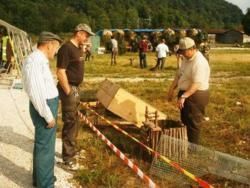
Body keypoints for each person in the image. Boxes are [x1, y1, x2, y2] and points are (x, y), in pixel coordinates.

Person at [22, 31, 62, 187]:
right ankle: (45, 184)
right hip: (44, 107)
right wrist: (48, 115)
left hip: (47, 104)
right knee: (45, 147)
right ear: (49, 44)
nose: (56, 51)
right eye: (56, 47)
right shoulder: (35, 61)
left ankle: (42, 179)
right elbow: (36, 91)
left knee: (46, 145)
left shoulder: (40, 60)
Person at [56, 23, 94, 170]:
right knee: (70, 122)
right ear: (78, 33)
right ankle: (68, 159)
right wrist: (68, 91)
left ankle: (71, 151)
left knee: (75, 121)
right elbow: (60, 71)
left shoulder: (77, 48)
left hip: (75, 88)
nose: (87, 38)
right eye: (86, 35)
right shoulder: (66, 48)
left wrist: (84, 49)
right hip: (69, 88)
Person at [167, 37, 210, 144]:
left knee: (193, 123)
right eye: (181, 52)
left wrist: (184, 96)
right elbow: (179, 75)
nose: (182, 54)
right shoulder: (186, 59)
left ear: (192, 48)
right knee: (185, 120)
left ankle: (193, 149)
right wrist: (171, 89)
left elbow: (196, 84)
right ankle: (186, 143)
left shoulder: (199, 62)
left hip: (196, 95)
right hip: (186, 93)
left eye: (184, 51)